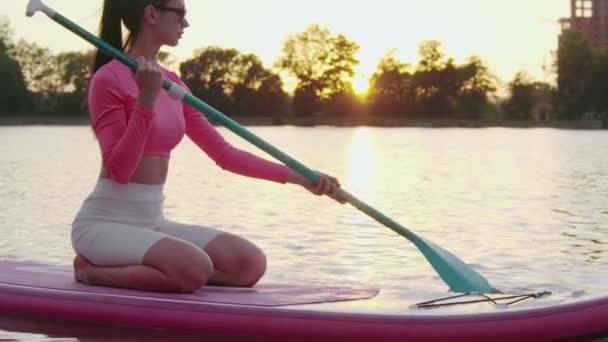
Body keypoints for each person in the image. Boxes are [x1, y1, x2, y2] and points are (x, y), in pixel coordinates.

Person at [72, 0, 345, 293]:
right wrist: (146, 101)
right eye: (180, 13)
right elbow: (120, 170)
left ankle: (172, 270)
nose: (185, 23)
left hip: (150, 223)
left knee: (249, 263)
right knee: (194, 268)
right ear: (151, 14)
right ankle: (92, 272)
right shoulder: (108, 79)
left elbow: (225, 155)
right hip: (105, 225)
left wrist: (301, 177)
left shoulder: (173, 83)